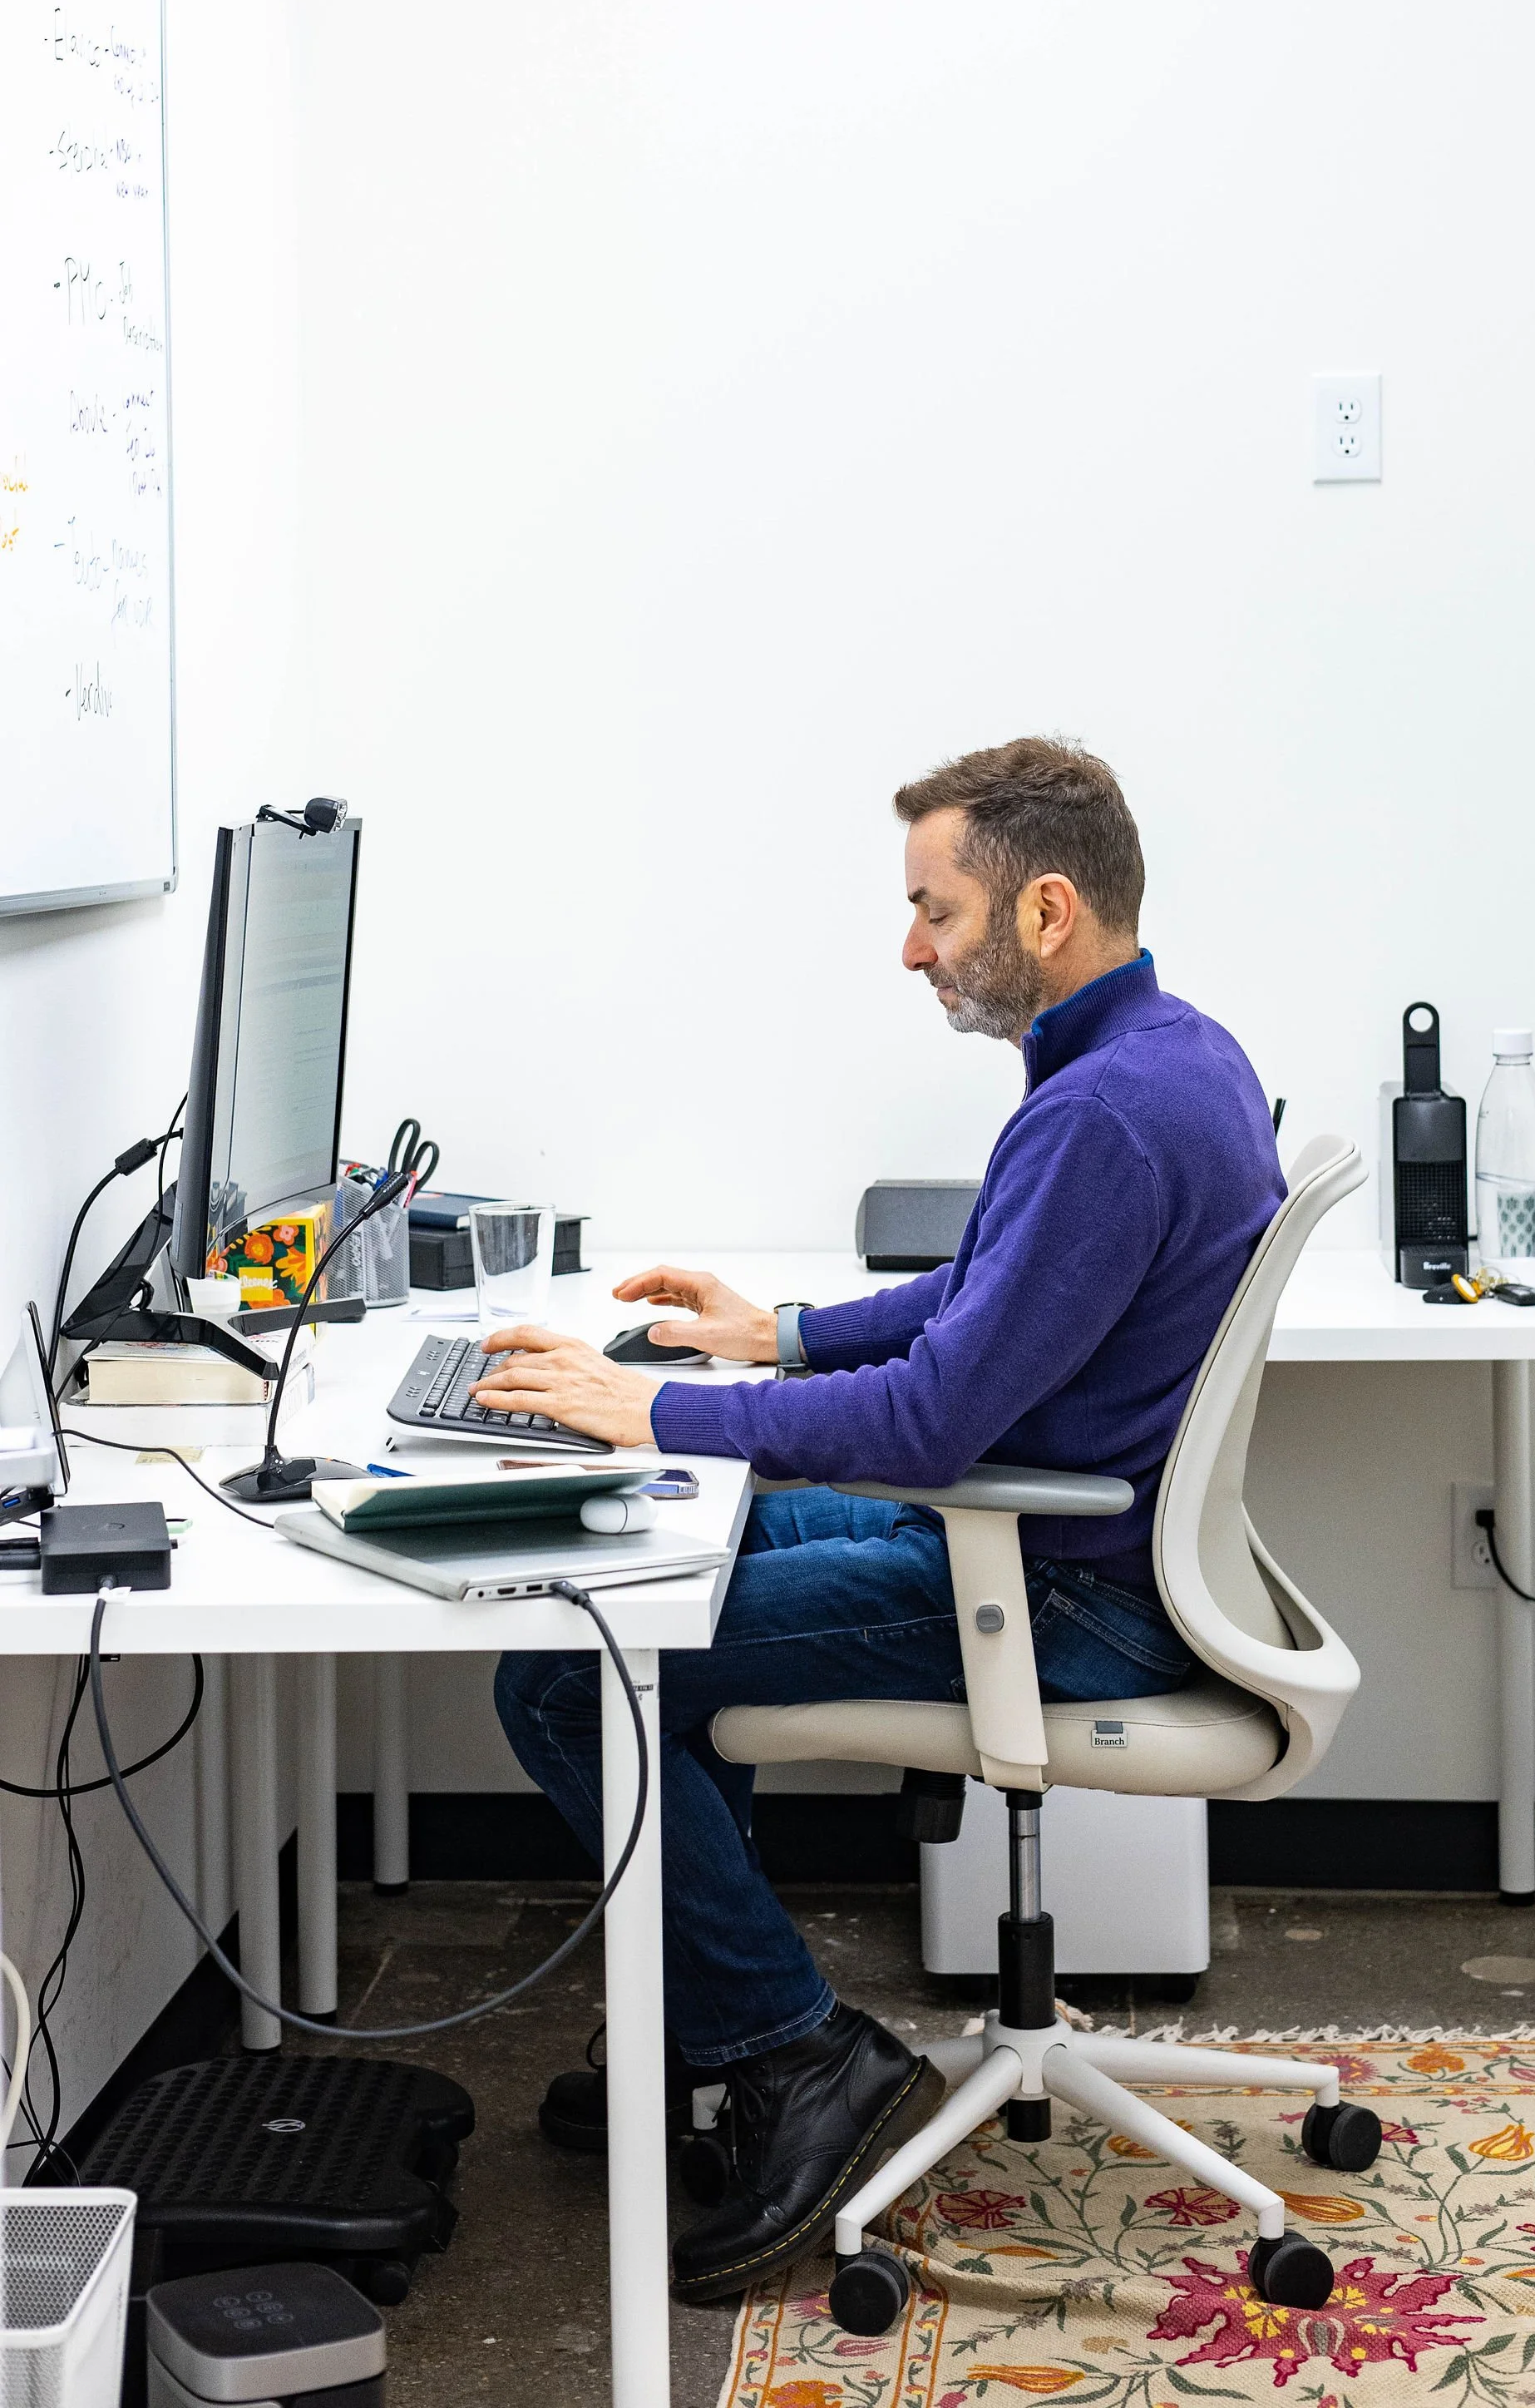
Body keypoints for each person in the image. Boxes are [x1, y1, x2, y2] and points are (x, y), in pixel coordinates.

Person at [487, 735, 1285, 2302]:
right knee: (661, 1557)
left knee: (567, 1669)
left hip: (1057, 1592)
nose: (912, 948)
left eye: (937, 911)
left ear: (1044, 911)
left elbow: (934, 1419)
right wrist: (774, 1336)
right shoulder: (1167, 1058)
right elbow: (983, 1303)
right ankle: (704, 2025)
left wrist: (657, 1406)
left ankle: (793, 2050)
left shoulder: (1097, 1118)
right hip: (1041, 1549)